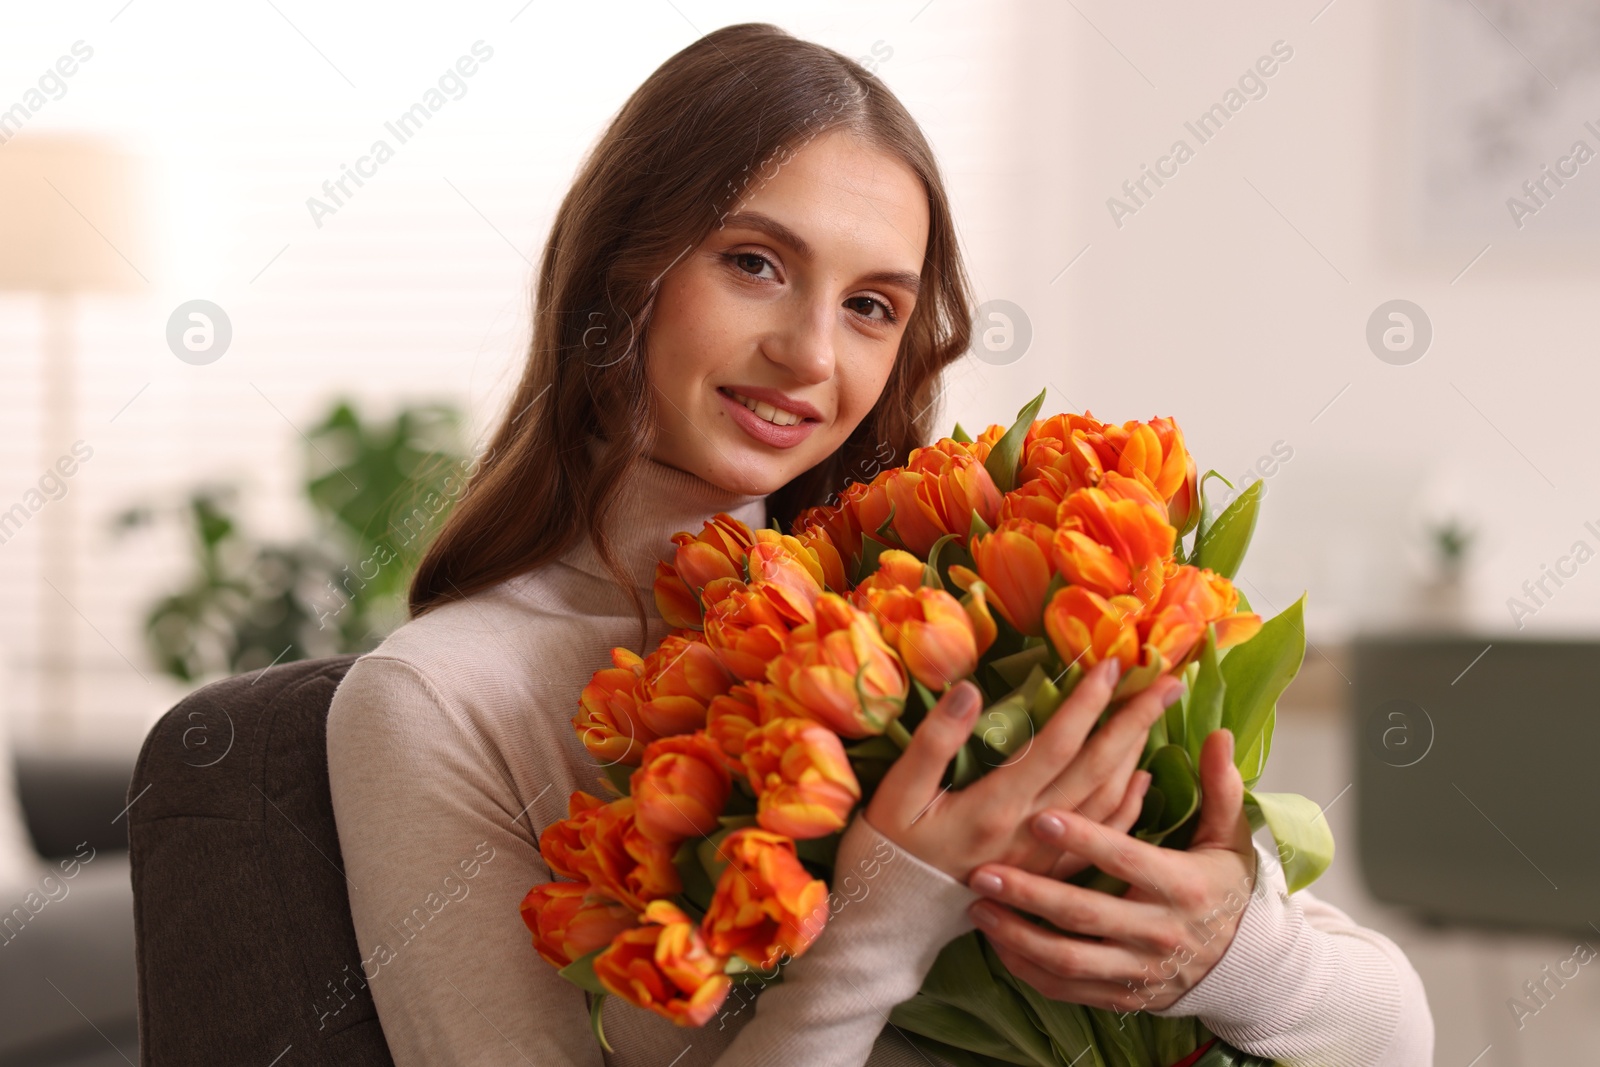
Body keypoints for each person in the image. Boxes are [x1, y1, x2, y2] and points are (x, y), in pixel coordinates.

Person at [324, 21, 1432, 1067]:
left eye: (869, 305)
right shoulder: (435, 701)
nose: (810, 353)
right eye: (754, 262)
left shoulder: (940, 607)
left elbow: (1395, 1033)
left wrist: (1233, 954)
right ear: (622, 268)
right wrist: (880, 915)